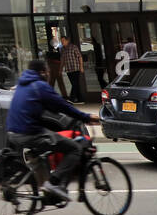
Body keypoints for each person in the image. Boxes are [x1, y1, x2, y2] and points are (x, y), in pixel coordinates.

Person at [6, 59, 98, 204]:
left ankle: (45, 188)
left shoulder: (22, 85)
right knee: (74, 148)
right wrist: (85, 117)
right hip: (29, 133)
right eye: (47, 71)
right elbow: (62, 105)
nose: (49, 74)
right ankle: (53, 183)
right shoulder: (40, 86)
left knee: (45, 149)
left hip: (12, 133)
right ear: (42, 72)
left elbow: (38, 108)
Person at [60, 33, 84, 102]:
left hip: (76, 68)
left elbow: (80, 57)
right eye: (61, 41)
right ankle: (80, 99)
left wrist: (81, 67)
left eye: (63, 40)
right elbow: (62, 60)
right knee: (75, 84)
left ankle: (72, 98)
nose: (62, 42)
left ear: (67, 41)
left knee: (75, 84)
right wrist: (60, 69)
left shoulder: (73, 47)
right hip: (68, 69)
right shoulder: (62, 50)